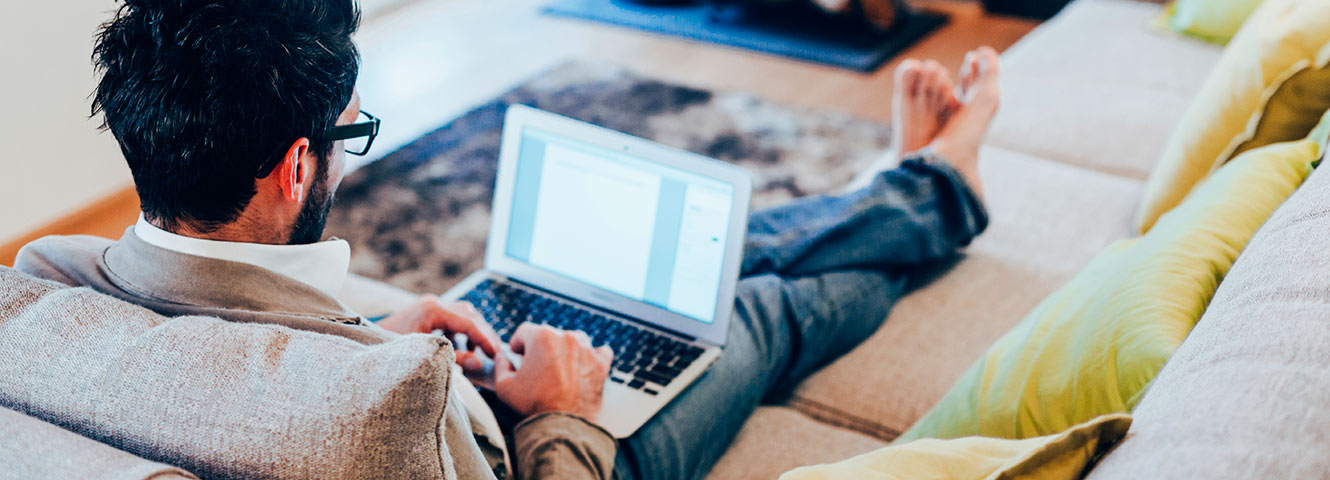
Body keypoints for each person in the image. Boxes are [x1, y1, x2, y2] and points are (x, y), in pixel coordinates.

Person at [15, 1, 1001, 479]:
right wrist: (560, 410)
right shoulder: (386, 411)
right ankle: (932, 189)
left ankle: (908, 187)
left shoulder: (43, 292)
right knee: (760, 309)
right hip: (548, 446)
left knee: (710, 259)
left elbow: (210, 353)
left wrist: (361, 332)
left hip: (392, 364)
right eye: (348, 134)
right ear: (298, 169)